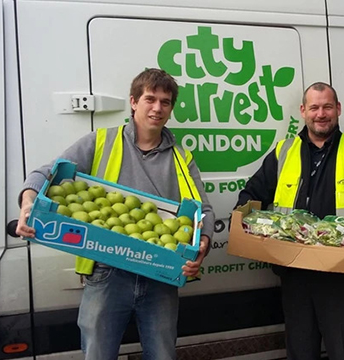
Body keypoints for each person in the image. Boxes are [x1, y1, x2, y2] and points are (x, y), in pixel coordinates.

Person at [15, 68, 215, 360]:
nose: (157, 108)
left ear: (171, 108)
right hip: (107, 272)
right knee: (98, 354)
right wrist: (27, 203)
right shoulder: (101, 141)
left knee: (162, 354)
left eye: (165, 102)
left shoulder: (181, 157)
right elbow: (46, 173)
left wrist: (203, 245)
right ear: (134, 102)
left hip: (160, 272)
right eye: (150, 99)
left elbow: (204, 210)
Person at [234, 82, 344, 360]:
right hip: (295, 272)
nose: (320, 114)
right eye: (314, 107)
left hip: (342, 275)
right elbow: (252, 194)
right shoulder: (284, 151)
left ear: (338, 109)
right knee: (300, 352)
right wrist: (244, 219)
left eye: (327, 107)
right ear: (303, 111)